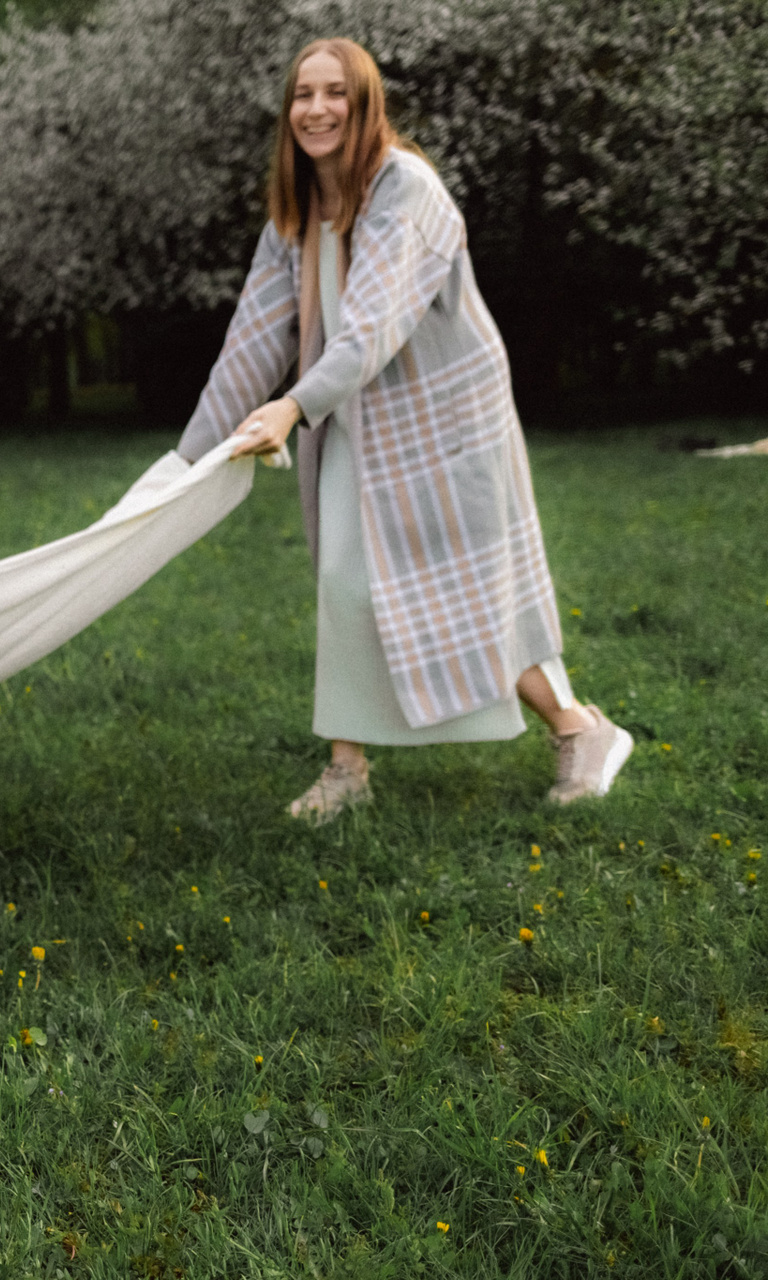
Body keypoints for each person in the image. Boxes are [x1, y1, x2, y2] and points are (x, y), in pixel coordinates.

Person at [176, 38, 633, 821]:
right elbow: (252, 339)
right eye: (303, 95)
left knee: (468, 590)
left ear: (365, 104)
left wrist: (291, 407)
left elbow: (371, 329)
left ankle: (579, 728)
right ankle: (347, 768)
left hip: (442, 423)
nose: (317, 109)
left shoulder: (405, 188)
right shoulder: (298, 210)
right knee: (345, 583)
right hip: (348, 416)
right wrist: (181, 465)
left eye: (335, 93)